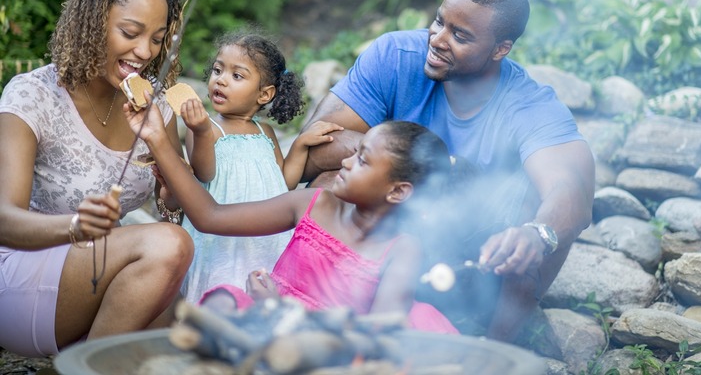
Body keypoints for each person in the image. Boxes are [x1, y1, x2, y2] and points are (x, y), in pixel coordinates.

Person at [298, 0, 595, 343]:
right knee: (332, 183)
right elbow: (314, 148)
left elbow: (573, 192)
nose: (437, 39)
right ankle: (309, 303)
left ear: (500, 49)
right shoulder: (395, 55)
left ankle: (494, 352)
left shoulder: (526, 104)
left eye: (461, 36)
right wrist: (428, 168)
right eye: (439, 21)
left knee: (540, 218)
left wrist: (537, 234)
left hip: (470, 257)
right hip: (388, 225)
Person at [0, 0, 194, 357]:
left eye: (157, 40)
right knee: (169, 246)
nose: (145, 52)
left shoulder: (155, 107)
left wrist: (171, 188)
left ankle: (88, 363)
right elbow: (2, 220)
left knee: (186, 314)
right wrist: (74, 226)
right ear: (91, 24)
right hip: (20, 274)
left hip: (95, 276)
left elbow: (175, 206)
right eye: (130, 33)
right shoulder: (33, 95)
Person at [127, 99, 460, 334]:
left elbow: (378, 334)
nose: (344, 163)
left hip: (330, 347)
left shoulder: (401, 249)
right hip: (268, 324)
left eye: (362, 160)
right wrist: (157, 139)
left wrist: (284, 311)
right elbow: (210, 216)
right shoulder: (314, 204)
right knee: (224, 302)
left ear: (398, 191)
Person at [175, 29, 342, 303]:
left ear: (264, 94)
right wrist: (201, 130)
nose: (221, 81)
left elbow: (283, 183)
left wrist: (300, 145)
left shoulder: (265, 132)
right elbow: (205, 173)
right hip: (224, 240)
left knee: (261, 302)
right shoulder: (206, 128)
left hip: (265, 238)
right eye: (218, 70)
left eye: (236, 75)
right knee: (224, 297)